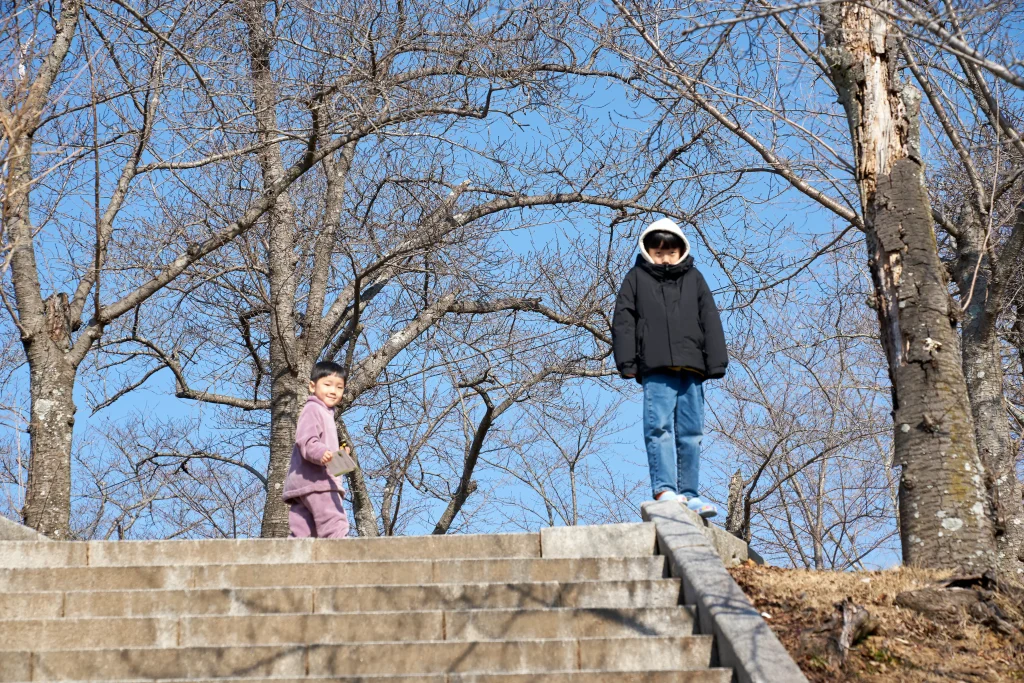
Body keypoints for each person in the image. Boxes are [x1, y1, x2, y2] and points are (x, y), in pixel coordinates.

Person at [612, 217, 728, 518]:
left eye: (670, 252)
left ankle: (690, 494)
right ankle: (665, 490)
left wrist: (716, 361)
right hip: (656, 367)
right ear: (647, 251)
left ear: (681, 251)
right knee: (658, 428)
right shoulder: (635, 278)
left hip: (693, 367)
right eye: (658, 252)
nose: (664, 258)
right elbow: (623, 322)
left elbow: (711, 320)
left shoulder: (695, 278)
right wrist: (627, 362)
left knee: (691, 432)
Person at [283, 360, 351, 538]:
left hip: (304, 484)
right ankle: (341, 559)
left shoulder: (326, 414)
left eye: (339, 387)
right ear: (312, 386)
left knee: (303, 531)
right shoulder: (313, 408)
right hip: (319, 483)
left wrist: (341, 460)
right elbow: (306, 440)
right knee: (334, 522)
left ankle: (293, 562)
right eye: (327, 384)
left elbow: (327, 457)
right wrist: (321, 453)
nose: (333, 391)